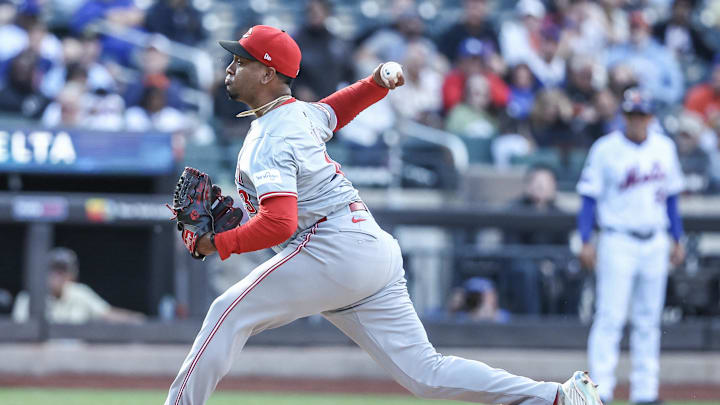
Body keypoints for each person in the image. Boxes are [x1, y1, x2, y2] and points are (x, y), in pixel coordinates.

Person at [163, 24, 603, 405]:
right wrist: (375, 84)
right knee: (425, 373)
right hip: (369, 246)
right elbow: (336, 110)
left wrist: (216, 242)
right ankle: (557, 397)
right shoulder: (299, 117)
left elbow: (280, 223)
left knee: (228, 310)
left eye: (239, 60)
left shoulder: (272, 138)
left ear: (267, 72)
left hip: (330, 247)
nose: (229, 67)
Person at [577, 88, 686, 405]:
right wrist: (585, 239)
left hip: (655, 239)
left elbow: (672, 198)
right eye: (631, 114)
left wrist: (677, 237)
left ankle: (645, 393)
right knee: (609, 317)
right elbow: (588, 199)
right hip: (617, 238)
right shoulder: (606, 148)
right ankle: (600, 392)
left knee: (649, 321)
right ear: (623, 116)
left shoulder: (664, 147)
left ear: (651, 116)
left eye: (642, 114)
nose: (637, 120)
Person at [12, 247, 145, 324]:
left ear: (72, 275)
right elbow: (19, 333)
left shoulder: (80, 293)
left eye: (63, 271)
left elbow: (107, 313)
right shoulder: (28, 298)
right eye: (53, 270)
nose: (58, 276)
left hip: (74, 358)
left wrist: (136, 319)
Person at [502, 165, 569, 315]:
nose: (540, 187)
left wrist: (551, 263)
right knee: (527, 272)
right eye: (537, 183)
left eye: (546, 183)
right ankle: (532, 323)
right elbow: (512, 249)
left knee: (573, 271)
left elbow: (564, 250)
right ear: (528, 186)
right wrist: (539, 263)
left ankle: (568, 323)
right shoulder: (514, 211)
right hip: (521, 265)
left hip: (551, 264)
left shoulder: (560, 215)